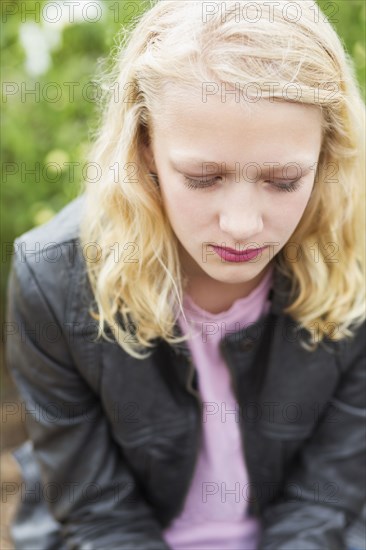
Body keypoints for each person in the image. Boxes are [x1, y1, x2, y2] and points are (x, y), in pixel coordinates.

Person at [5, 1, 365, 549]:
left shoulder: (354, 264)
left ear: (328, 154)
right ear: (145, 146)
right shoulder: (53, 279)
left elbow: (326, 499)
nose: (242, 226)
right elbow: (98, 511)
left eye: (283, 180)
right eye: (203, 177)